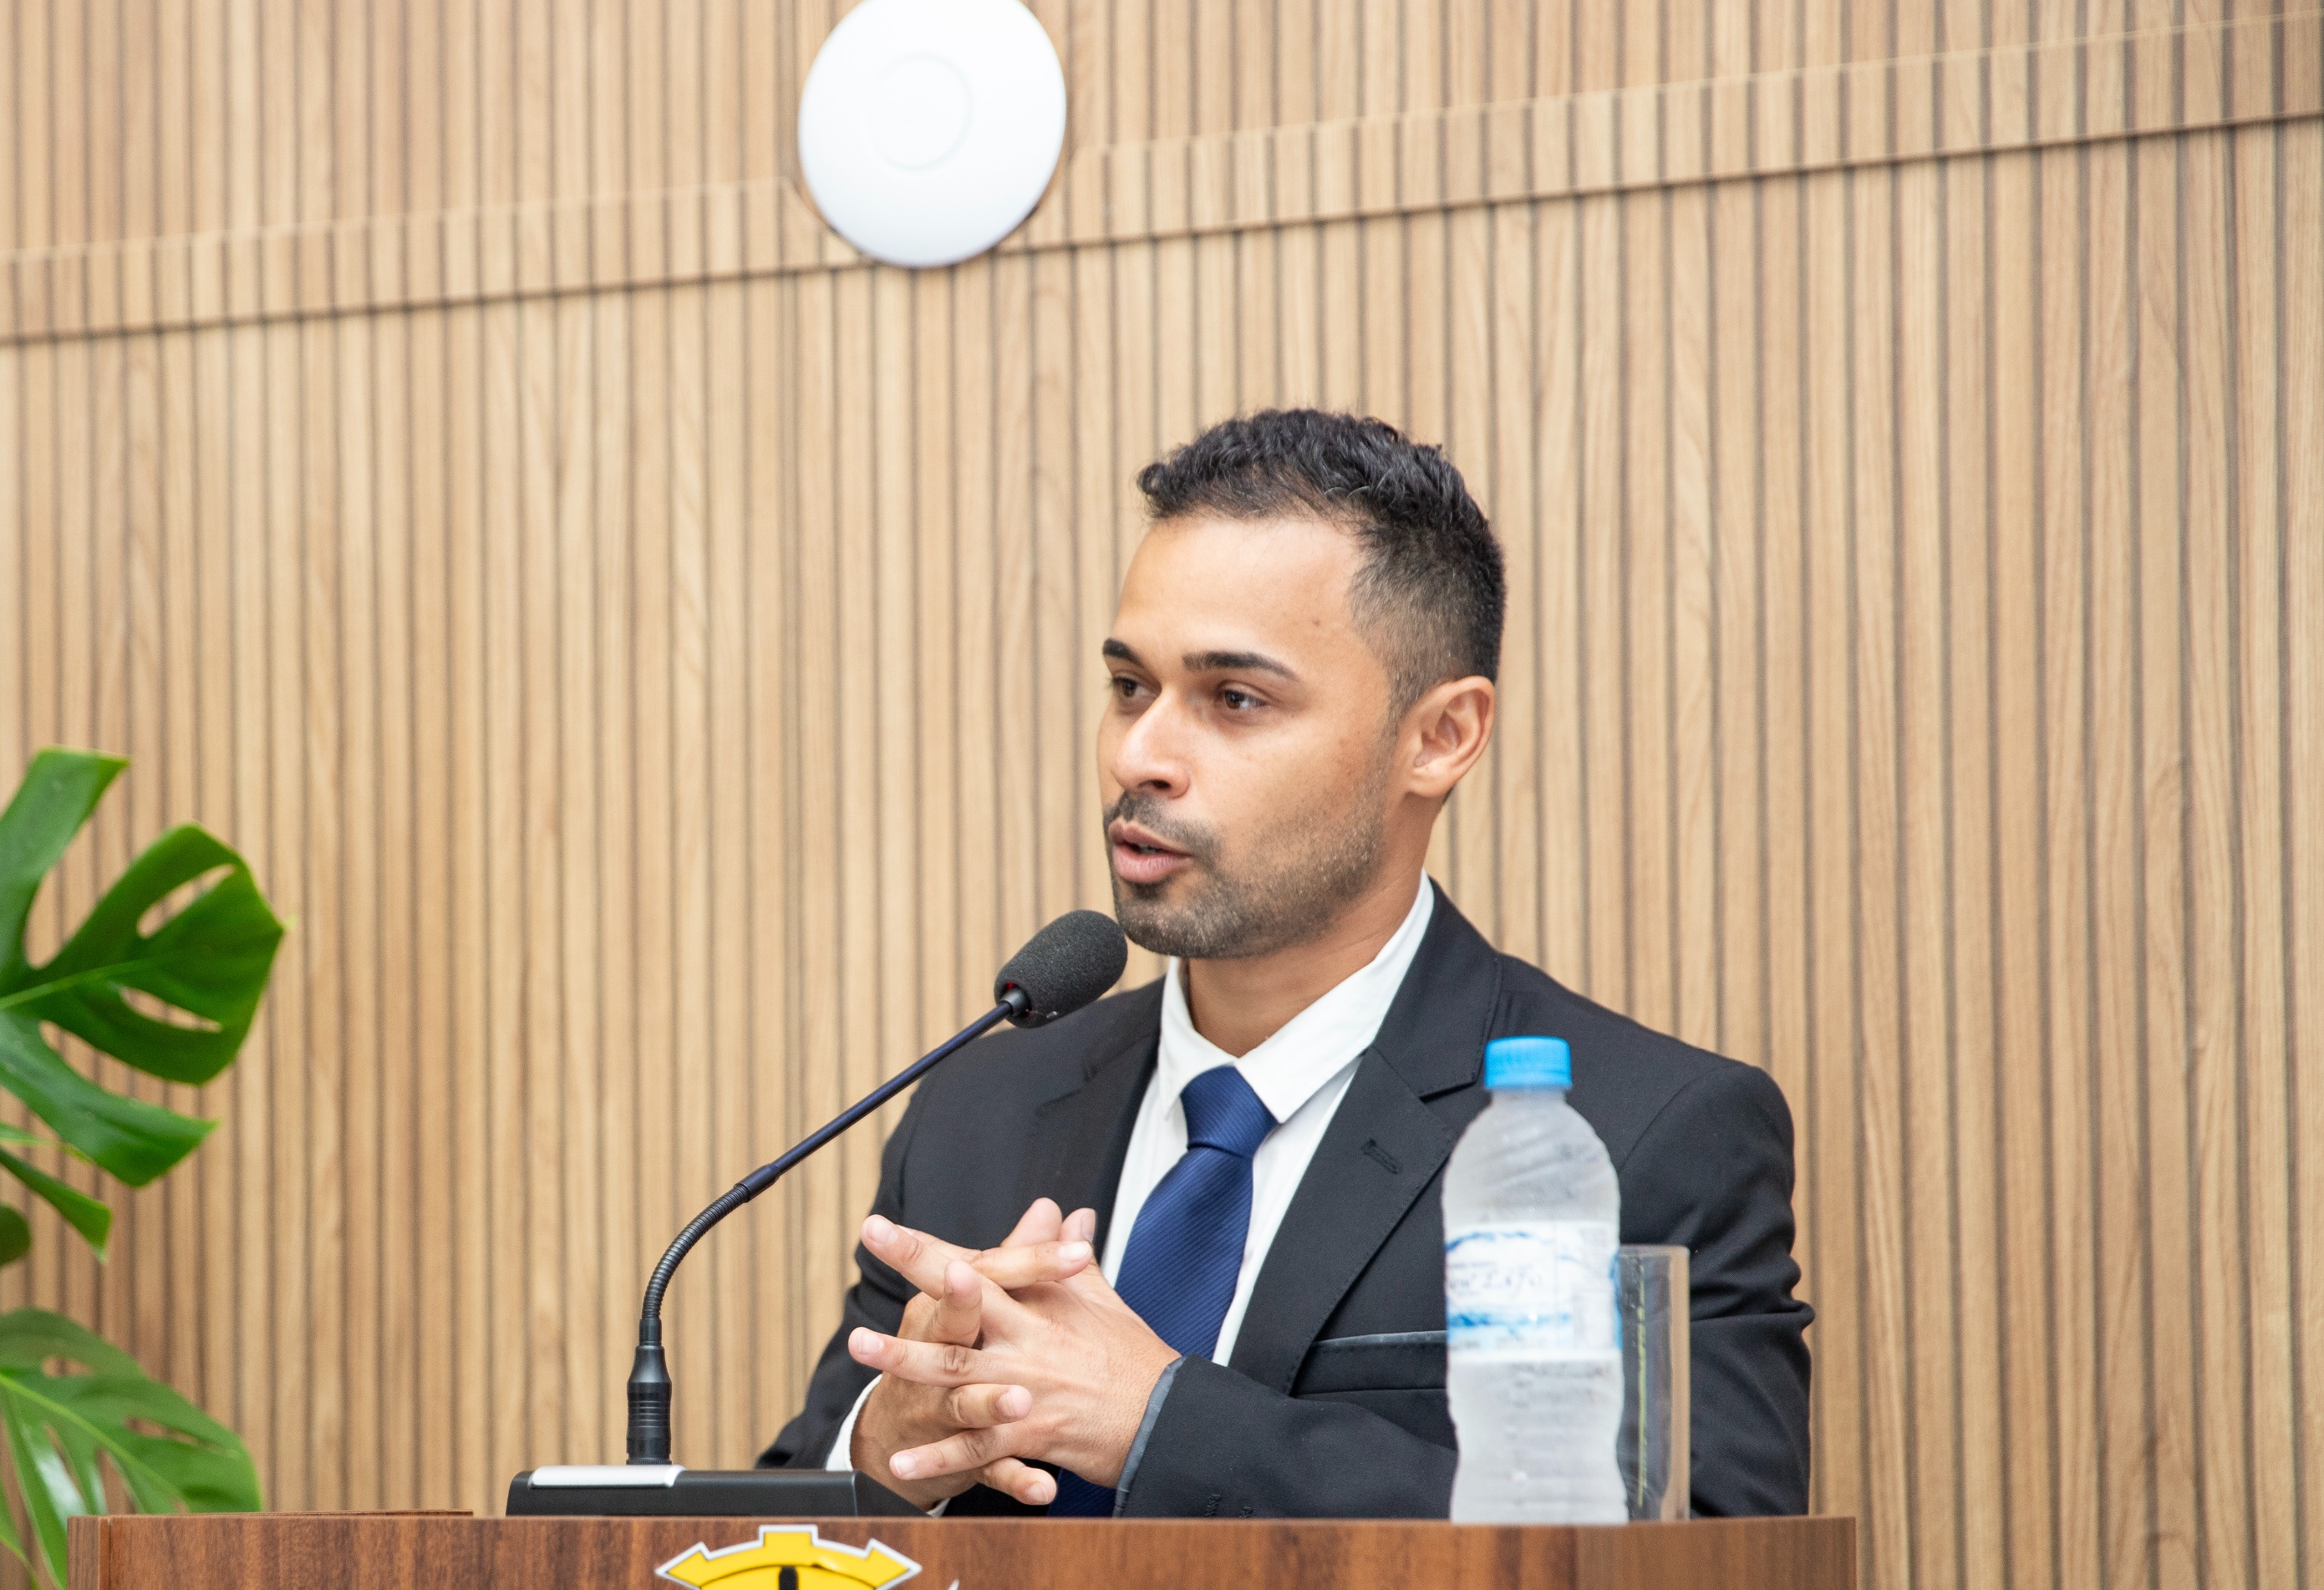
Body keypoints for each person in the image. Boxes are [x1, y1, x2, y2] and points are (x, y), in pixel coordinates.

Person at [756, 409, 1812, 1517]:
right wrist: (887, 1445)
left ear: (1441, 736)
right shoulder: (982, 1113)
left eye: (1236, 700)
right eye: (1130, 686)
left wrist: (1161, 1420)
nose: (1141, 755)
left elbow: (1709, 1554)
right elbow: (766, 1553)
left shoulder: (1642, 1133)